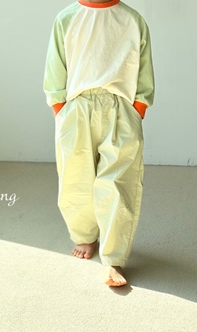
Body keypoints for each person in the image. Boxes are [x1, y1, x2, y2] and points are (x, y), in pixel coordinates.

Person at [43, 0, 155, 287]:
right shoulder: (66, 18)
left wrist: (138, 107)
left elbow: (144, 67)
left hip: (120, 107)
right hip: (76, 108)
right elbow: (56, 67)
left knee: (119, 182)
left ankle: (113, 258)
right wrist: (60, 107)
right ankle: (85, 235)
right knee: (76, 179)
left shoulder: (132, 20)